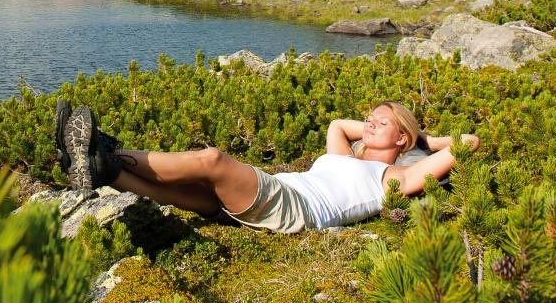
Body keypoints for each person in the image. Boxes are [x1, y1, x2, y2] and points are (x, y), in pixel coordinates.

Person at [55, 100, 479, 233]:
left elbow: (469, 143)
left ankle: (104, 150)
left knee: (212, 160)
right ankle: (103, 170)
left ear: (402, 138)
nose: (368, 123)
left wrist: (422, 139)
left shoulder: (394, 177)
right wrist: (383, 130)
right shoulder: (343, 154)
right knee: (197, 195)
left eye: (381, 123)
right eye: (369, 117)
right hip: (274, 194)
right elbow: (338, 123)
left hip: (297, 209)